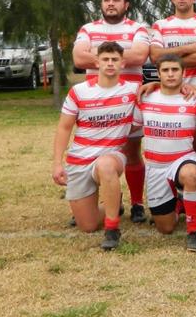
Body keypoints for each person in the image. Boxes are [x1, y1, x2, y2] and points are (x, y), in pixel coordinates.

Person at [73, 0, 152, 223]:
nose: (110, 3)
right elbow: (78, 58)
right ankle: (103, 205)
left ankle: (137, 203)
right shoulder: (88, 28)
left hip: (129, 101)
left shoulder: (137, 28)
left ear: (126, 4)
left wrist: (98, 53)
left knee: (132, 152)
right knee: (93, 154)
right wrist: (118, 55)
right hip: (95, 102)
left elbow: (139, 56)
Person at [52, 42, 139, 252]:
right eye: (106, 59)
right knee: (88, 226)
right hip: (80, 159)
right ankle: (113, 202)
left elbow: (162, 89)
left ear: (123, 63)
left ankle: (112, 229)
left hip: (111, 157)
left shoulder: (133, 90)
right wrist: (57, 164)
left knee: (106, 165)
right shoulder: (79, 92)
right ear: (96, 62)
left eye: (115, 59)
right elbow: (64, 128)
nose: (110, 63)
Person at [149, 0, 196, 222]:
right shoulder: (161, 25)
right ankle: (176, 200)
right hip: (168, 97)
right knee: (171, 150)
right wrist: (189, 47)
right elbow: (156, 57)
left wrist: (171, 57)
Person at [134, 55, 196, 252]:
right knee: (166, 228)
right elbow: (132, 128)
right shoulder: (145, 97)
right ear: (158, 73)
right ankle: (180, 198)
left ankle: (194, 231)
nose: (170, 74)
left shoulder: (193, 98)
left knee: (190, 175)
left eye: (175, 70)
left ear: (183, 73)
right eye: (165, 70)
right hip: (155, 167)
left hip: (182, 159)